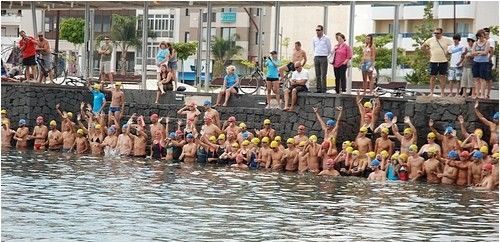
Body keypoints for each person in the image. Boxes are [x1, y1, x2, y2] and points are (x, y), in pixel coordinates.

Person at [422, 27, 453, 96]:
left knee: (442, 77)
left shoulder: (446, 39)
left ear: (441, 33)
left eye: (438, 33)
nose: (436, 34)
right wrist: (428, 52)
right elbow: (422, 46)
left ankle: (442, 92)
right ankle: (431, 92)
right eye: (435, 33)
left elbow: (453, 46)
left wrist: (448, 52)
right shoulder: (430, 40)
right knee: (432, 77)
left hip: (443, 61)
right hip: (433, 61)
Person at [471, 29, 491, 99]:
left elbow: (485, 53)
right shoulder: (475, 43)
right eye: (479, 37)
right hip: (476, 62)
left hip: (484, 62)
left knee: (483, 79)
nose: (480, 38)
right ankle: (477, 94)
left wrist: (477, 52)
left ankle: (482, 94)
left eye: (482, 36)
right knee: (476, 79)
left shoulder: (487, 43)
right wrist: (480, 52)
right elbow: (472, 53)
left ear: (484, 36)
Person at [312, 25, 331, 93]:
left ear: (322, 31)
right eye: (316, 30)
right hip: (316, 57)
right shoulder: (314, 38)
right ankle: (318, 89)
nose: (317, 31)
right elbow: (313, 48)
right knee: (317, 75)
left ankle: (323, 90)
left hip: (323, 57)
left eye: (319, 30)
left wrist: (325, 55)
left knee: (323, 75)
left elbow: (329, 49)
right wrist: (315, 55)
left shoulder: (326, 38)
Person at [483, 28, 496, 99]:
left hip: (487, 61)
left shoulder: (491, 41)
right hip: (482, 61)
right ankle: (483, 93)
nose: (485, 35)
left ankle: (487, 94)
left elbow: (491, 51)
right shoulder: (483, 40)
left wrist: (489, 59)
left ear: (488, 33)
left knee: (488, 78)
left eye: (486, 33)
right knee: (482, 78)